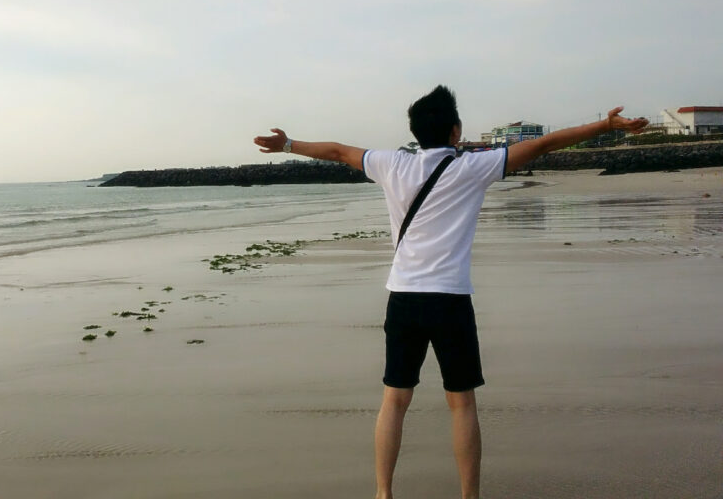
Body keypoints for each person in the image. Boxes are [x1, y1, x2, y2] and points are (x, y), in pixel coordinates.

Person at [253, 85, 648, 499]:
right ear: (455, 131)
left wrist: (289, 145)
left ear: (415, 130)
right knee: (461, 403)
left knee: (395, 400)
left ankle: (383, 493)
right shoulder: (473, 168)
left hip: (404, 297)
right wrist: (605, 125)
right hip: (450, 300)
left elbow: (338, 152)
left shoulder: (391, 164)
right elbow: (543, 144)